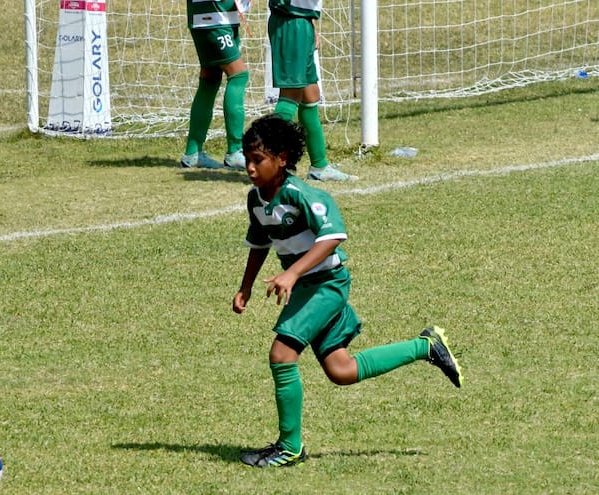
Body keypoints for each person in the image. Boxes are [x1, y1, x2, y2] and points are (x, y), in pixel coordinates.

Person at [232, 115, 461, 468]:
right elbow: (259, 242)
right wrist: (245, 287)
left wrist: (292, 273)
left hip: (326, 285)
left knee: (281, 355)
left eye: (257, 160)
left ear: (282, 157)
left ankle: (290, 447)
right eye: (246, 159)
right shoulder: (256, 200)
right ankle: (426, 346)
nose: (249, 167)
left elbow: (333, 236)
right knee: (342, 370)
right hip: (308, 286)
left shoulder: (302, 195)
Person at [267, 0, 356, 181]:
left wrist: (312, 24)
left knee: (310, 94)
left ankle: (319, 166)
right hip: (291, 22)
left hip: (301, 19)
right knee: (291, 94)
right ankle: (264, 162)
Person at [180, 0, 250, 171]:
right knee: (238, 75)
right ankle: (234, 151)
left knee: (210, 79)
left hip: (210, 17)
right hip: (214, 19)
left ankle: (193, 153)